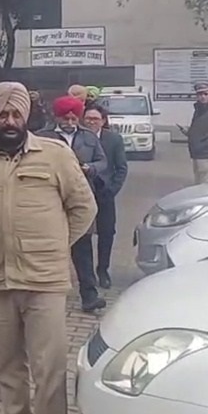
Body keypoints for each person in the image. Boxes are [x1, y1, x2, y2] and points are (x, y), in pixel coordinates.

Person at [0, 82, 96, 414]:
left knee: (49, 368)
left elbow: (84, 207)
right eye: (2, 114)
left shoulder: (55, 154)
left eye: (16, 114)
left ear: (26, 117)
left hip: (44, 280)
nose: (10, 121)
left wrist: (55, 244)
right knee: (8, 365)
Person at [36, 95, 108, 313]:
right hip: (51, 199)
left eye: (73, 118)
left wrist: (91, 168)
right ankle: (40, 292)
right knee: (47, 248)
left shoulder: (89, 137)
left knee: (83, 249)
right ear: (57, 117)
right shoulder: (42, 137)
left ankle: (89, 296)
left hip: (79, 199)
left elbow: (103, 161)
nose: (69, 122)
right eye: (65, 118)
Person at [82, 106, 128, 289]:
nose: (91, 122)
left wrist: (113, 189)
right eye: (88, 118)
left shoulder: (113, 139)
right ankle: (86, 275)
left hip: (105, 193)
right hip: (83, 193)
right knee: (83, 235)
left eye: (95, 119)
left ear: (103, 120)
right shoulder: (79, 138)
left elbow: (121, 167)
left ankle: (103, 270)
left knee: (106, 233)